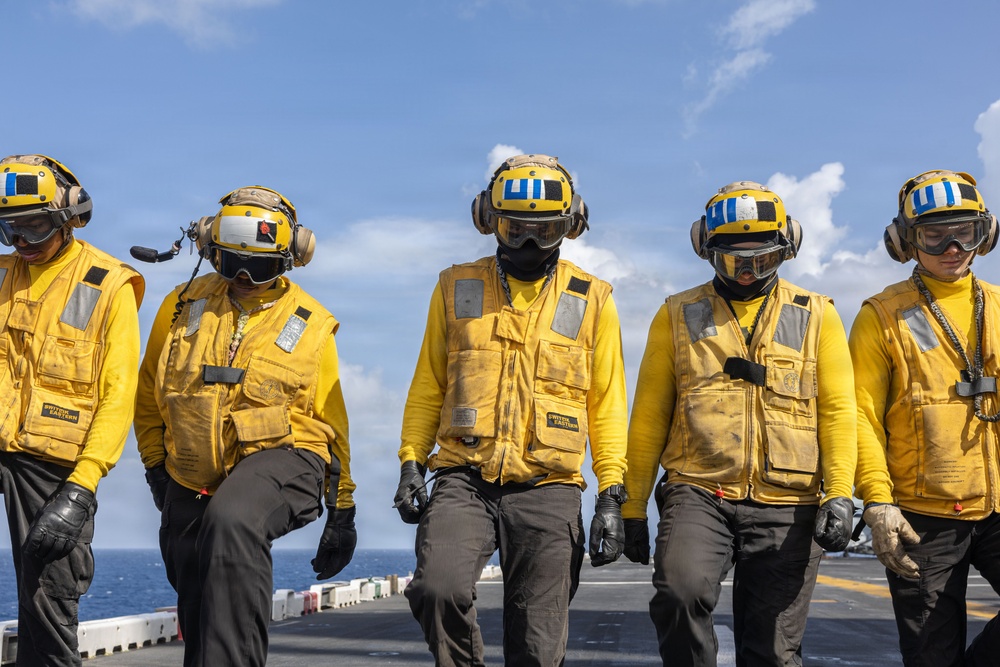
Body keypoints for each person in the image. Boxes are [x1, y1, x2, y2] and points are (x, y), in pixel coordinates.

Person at [394, 153, 629, 666]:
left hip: (550, 487)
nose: (526, 242)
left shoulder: (592, 299)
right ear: (487, 219)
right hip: (464, 477)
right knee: (437, 589)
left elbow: (607, 402)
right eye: (513, 227)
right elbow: (428, 384)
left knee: (538, 646)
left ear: (570, 226)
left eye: (542, 231)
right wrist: (412, 462)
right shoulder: (456, 287)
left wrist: (612, 495)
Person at [622, 181, 858, 666]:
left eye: (762, 260)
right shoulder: (676, 315)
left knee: (773, 651)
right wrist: (630, 507)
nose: (748, 273)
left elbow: (838, 411)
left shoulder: (817, 315)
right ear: (706, 251)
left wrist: (839, 493)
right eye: (734, 261)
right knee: (679, 592)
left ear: (786, 248)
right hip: (699, 490)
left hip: (790, 500)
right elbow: (648, 417)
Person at [133, 186, 357, 667]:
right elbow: (150, 391)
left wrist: (342, 509)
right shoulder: (181, 306)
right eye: (232, 263)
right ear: (211, 247)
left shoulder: (313, 323)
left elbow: (332, 421)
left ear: (291, 256)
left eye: (258, 268)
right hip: (192, 474)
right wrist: (157, 468)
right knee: (196, 591)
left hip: (290, 455)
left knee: (233, 519)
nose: (243, 278)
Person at [852, 169, 1000, 666]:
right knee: (931, 654)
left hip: (998, 504)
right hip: (921, 517)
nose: (953, 246)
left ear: (987, 231)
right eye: (934, 235)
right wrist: (877, 503)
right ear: (903, 241)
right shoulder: (882, 316)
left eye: (967, 232)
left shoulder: (999, 307)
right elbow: (860, 417)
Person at [0, 154, 143, 666]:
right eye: (7, 230)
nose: (21, 244)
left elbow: (118, 393)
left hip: (53, 461)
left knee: (48, 591)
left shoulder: (107, 285)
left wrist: (80, 489)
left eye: (33, 228)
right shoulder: (3, 272)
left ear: (68, 217)